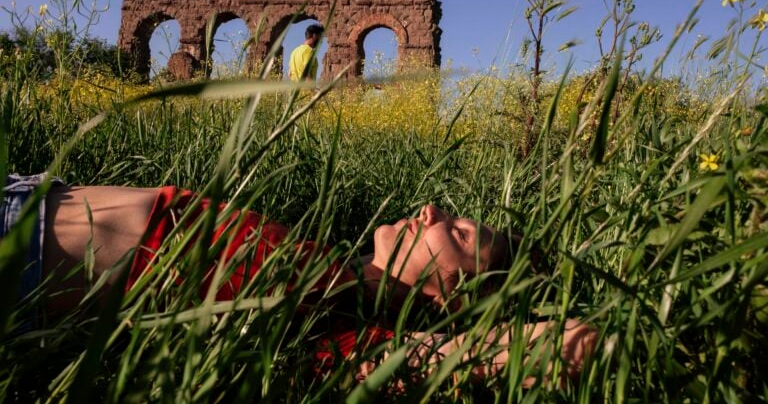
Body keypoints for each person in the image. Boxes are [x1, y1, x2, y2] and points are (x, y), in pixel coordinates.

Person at [2, 173, 598, 386]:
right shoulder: (332, 266)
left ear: (454, 297)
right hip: (27, 194)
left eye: (462, 236)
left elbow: (570, 344)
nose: (432, 212)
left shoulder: (338, 327)